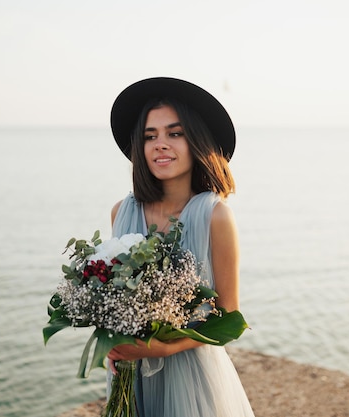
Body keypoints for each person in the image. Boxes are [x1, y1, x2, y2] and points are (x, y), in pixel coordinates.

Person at [106, 77, 255, 417]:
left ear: (197, 141)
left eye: (174, 133)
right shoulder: (121, 211)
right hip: (131, 376)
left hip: (192, 378)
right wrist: (111, 341)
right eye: (150, 136)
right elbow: (113, 295)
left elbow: (229, 317)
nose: (160, 144)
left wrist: (163, 350)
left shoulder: (215, 216)